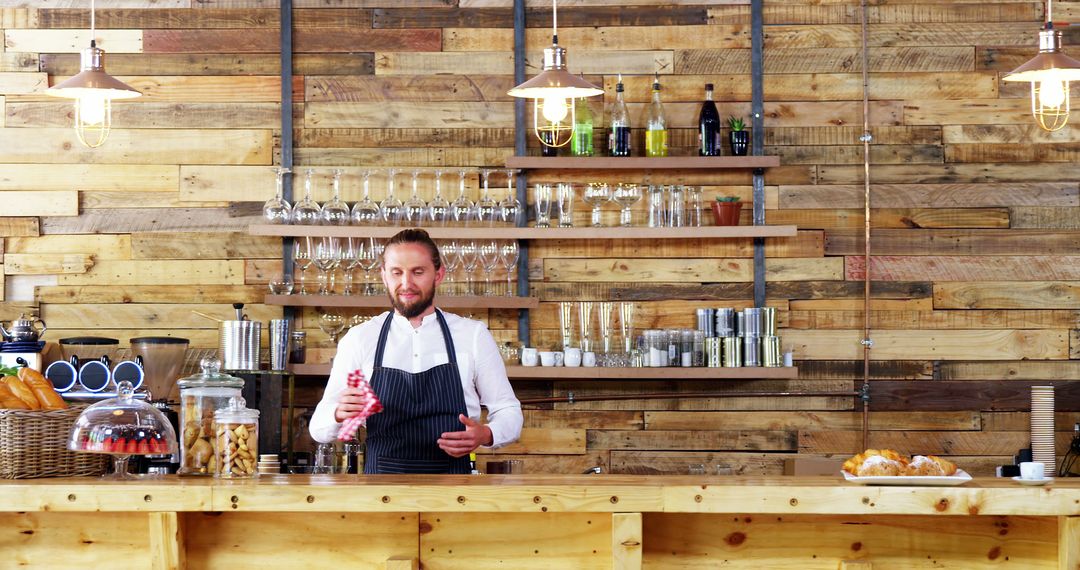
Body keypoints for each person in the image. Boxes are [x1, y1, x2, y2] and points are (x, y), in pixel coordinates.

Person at [310, 228, 523, 474]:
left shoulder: (472, 335)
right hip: (381, 490)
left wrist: (486, 434)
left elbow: (508, 410)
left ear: (439, 275)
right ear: (383, 275)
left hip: (455, 489)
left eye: (418, 272)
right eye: (396, 272)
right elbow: (318, 430)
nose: (406, 284)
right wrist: (338, 413)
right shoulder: (360, 338)